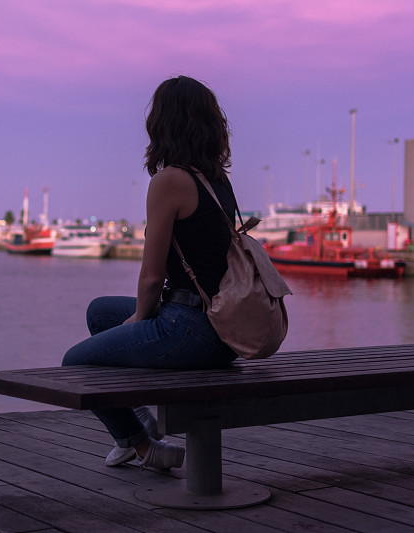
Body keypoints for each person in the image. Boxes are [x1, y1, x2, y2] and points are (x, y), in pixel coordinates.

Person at [62, 76, 239, 470]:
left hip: (192, 329)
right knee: (100, 312)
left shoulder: (169, 181)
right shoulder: (217, 181)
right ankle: (137, 417)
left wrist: (142, 319)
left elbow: (151, 276)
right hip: (223, 326)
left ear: (163, 123)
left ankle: (140, 444)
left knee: (75, 363)